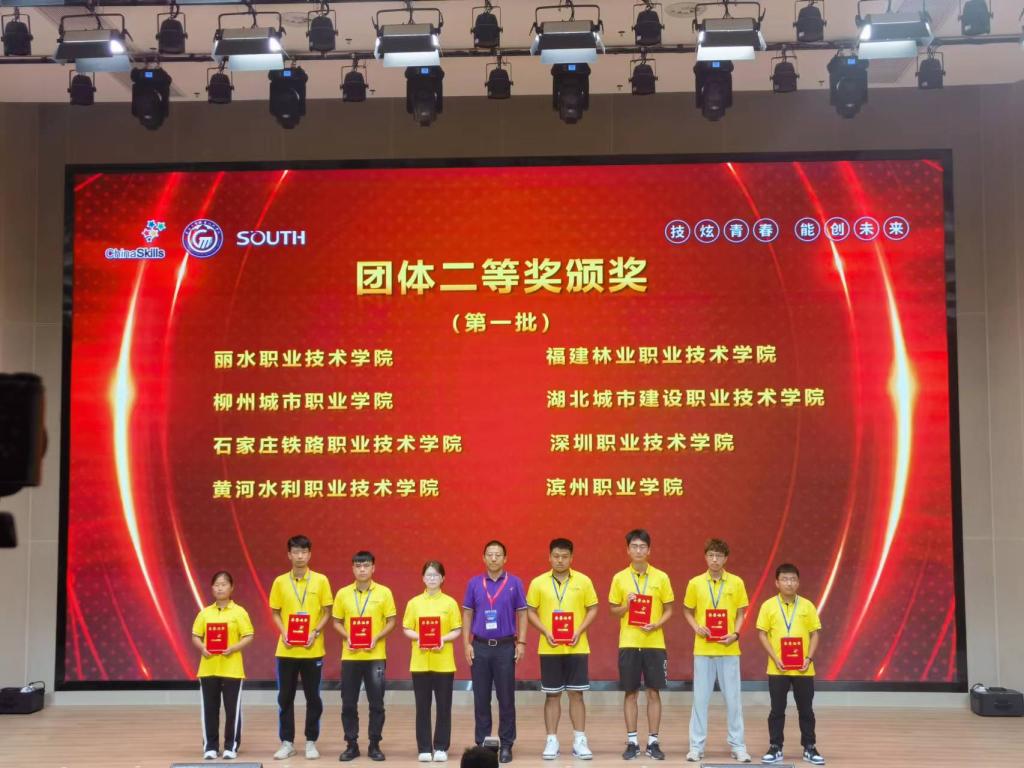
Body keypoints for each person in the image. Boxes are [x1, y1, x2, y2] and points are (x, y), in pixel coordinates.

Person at [526, 537, 600, 761]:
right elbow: (530, 611)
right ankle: (552, 740)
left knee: (577, 694)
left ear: (571, 558)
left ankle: (580, 740)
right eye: (556, 556)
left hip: (577, 646)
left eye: (564, 556)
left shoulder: (584, 581)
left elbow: (593, 608)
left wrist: (579, 630)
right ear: (549, 557)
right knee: (552, 695)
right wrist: (545, 631)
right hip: (550, 647)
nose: (560, 560)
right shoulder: (538, 583)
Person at [682, 538, 751, 763]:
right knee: (700, 700)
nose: (714, 559)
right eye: (711, 555)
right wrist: (697, 627)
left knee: (733, 700)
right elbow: (687, 611)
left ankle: (738, 745)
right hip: (703, 649)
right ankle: (696, 746)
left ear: (725, 558)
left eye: (719, 556)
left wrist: (736, 634)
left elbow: (741, 613)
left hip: (729, 648)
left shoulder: (736, 582)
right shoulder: (695, 583)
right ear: (705, 557)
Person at [608, 529, 674, 761]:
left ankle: (653, 742)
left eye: (642, 546)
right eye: (634, 546)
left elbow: (669, 609)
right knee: (631, 693)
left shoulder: (661, 577)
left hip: (654, 643)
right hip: (629, 642)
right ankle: (632, 742)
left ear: (649, 550)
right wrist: (626, 606)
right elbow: (613, 610)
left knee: (654, 692)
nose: (638, 550)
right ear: (628, 550)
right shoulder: (619, 578)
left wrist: (656, 624)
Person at [462, 540, 529, 764]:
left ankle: (506, 744)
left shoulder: (515, 583)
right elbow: (467, 614)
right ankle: (483, 743)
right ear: (483, 558)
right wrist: (466, 644)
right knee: (481, 698)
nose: (493, 558)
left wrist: (521, 643)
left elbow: (522, 614)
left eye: (498, 554)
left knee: (506, 698)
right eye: (489, 554)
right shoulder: (474, 583)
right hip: (480, 646)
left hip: (505, 647)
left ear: (505, 558)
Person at [269, 535, 333, 761]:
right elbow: (275, 612)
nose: (300, 556)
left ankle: (310, 741)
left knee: (313, 697)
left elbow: (327, 611)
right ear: (289, 555)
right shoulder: (279, 582)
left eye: (304, 552)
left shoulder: (321, 580)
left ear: (309, 554)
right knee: (285, 697)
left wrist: (315, 631)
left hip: (312, 649)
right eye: (295, 552)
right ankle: (287, 742)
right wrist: (283, 632)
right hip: (286, 650)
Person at [756, 563, 825, 766]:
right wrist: (774, 658)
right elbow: (762, 634)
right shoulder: (768, 606)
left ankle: (810, 747)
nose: (789, 583)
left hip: (804, 669)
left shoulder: (807, 605)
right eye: (785, 579)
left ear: (798, 582)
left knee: (806, 710)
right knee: (777, 710)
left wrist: (808, 658)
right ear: (777, 583)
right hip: (778, 668)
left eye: (793, 579)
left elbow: (815, 634)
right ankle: (775, 747)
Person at [333, 550, 398, 762]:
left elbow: (391, 621)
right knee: (348, 703)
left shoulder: (384, 593)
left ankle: (374, 744)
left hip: (375, 656)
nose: (362, 569)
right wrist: (348, 637)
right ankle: (351, 744)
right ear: (353, 568)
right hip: (350, 656)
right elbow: (336, 622)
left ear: (373, 568)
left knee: (376, 703)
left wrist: (376, 637)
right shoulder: (343, 593)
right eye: (358, 566)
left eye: (366, 565)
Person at [402, 560, 463, 763]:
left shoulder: (450, 603)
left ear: (442, 578)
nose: (432, 579)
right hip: (420, 662)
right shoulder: (414, 603)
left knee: (444, 706)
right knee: (422, 707)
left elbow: (457, 629)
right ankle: (424, 748)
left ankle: (441, 747)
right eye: (428, 575)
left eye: (435, 575)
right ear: (422, 578)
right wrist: (420, 637)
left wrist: (442, 639)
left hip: (443, 663)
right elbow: (406, 628)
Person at [192, 570, 255, 760]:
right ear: (212, 588)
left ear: (231, 587)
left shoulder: (239, 612)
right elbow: (195, 636)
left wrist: (233, 648)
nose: (220, 588)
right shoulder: (205, 613)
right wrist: (202, 648)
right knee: (209, 710)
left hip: (232, 668)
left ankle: (231, 746)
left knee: (232, 710)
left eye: (224, 584)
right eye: (217, 585)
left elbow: (249, 636)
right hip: (208, 668)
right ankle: (210, 747)